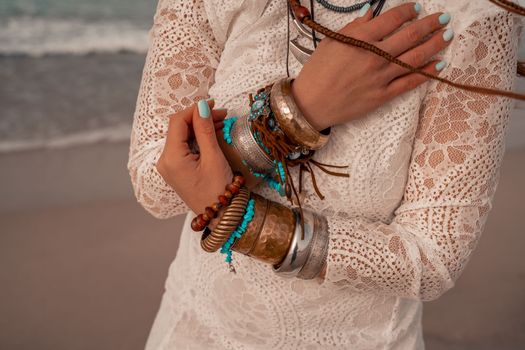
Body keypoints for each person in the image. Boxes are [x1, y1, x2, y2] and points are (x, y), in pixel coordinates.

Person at [127, 0, 522, 348]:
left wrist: (245, 226)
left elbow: (432, 261)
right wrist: (299, 110)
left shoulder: (473, 14)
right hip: (195, 332)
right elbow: (155, 186)